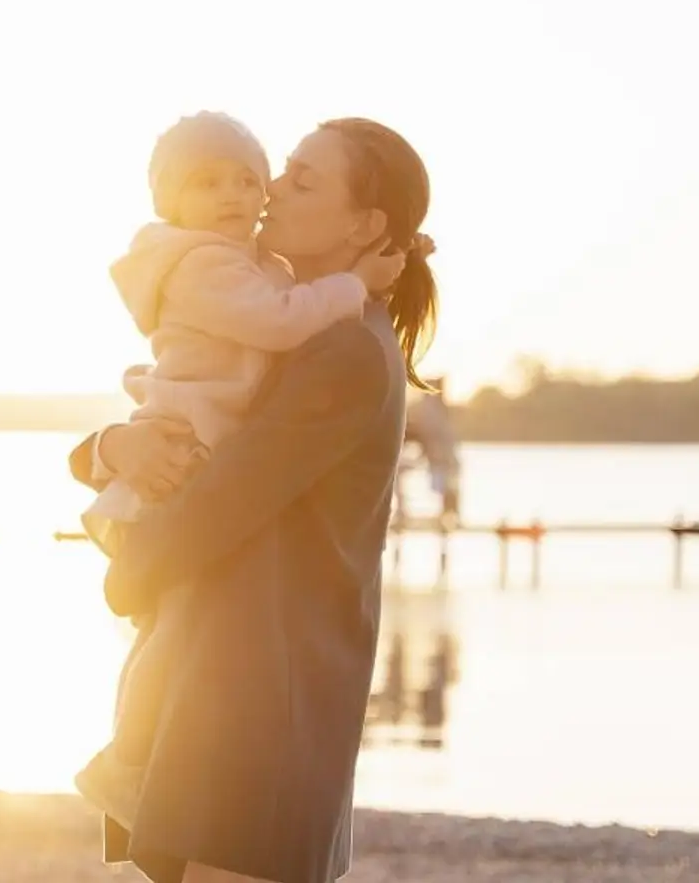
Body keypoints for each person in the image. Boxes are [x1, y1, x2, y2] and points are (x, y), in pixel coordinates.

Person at [68, 117, 437, 883]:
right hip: (230, 701)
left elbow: (218, 503)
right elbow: (199, 431)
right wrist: (108, 448)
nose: (269, 189)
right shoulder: (300, 333)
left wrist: (123, 574)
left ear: (364, 225)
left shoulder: (343, 350)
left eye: (301, 180)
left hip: (264, 713)